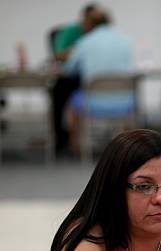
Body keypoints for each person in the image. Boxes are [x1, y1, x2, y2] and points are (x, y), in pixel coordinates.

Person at [63, 10, 135, 155]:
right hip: (124, 102)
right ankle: (130, 149)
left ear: (88, 24)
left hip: (92, 102)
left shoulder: (84, 42)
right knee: (132, 108)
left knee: (71, 109)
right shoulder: (125, 40)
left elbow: (69, 70)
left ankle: (77, 149)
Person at [50, 3, 101, 156]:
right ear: (85, 19)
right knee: (58, 95)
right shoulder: (70, 31)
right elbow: (58, 55)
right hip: (71, 76)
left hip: (92, 76)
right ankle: (61, 140)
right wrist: (79, 50)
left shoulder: (98, 35)